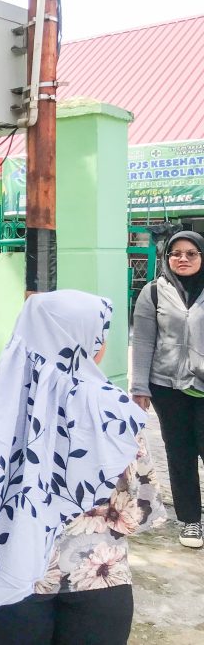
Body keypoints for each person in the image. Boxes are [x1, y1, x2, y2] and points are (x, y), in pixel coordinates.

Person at [0, 290, 166, 645]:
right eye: (99, 335)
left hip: (7, 579)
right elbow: (138, 511)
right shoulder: (116, 412)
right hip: (98, 580)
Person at [131, 230, 204, 549]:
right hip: (167, 387)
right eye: (177, 253)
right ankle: (191, 520)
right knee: (179, 452)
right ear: (166, 258)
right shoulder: (154, 292)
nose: (183, 259)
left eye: (191, 253)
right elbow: (144, 340)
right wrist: (139, 386)